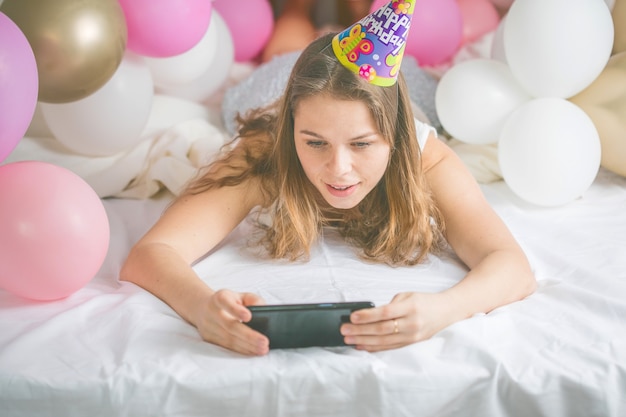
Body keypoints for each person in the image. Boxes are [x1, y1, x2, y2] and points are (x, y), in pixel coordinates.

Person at [120, 1, 536, 357]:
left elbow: (512, 266)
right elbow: (151, 252)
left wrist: (442, 310)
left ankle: (357, 11)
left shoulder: (425, 155)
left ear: (395, 138)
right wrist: (201, 306)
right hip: (274, 78)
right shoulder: (266, 150)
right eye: (314, 143)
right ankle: (299, 7)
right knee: (283, 48)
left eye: (361, 145)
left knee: (407, 64)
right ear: (290, 132)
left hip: (408, 85)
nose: (338, 169)